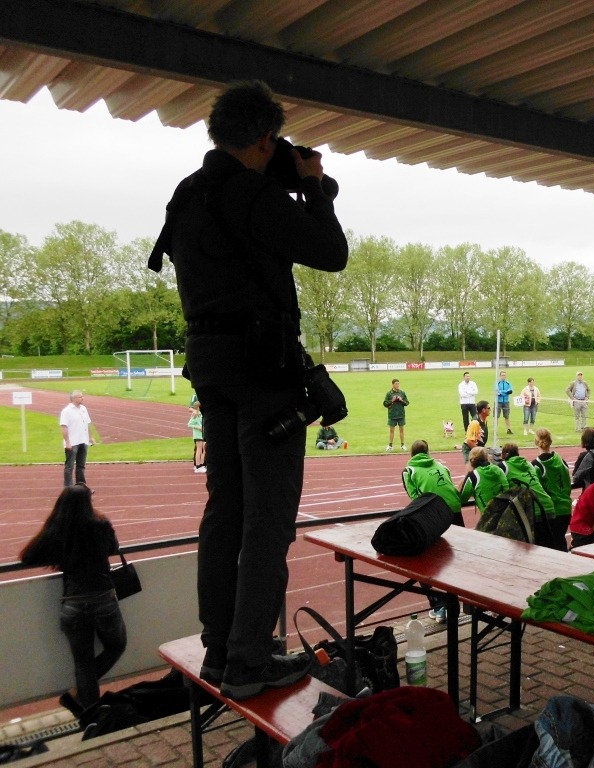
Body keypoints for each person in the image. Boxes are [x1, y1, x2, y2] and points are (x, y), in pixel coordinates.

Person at [151, 81, 347, 699]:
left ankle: (220, 648)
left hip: (210, 368)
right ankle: (249, 660)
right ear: (265, 139)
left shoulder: (188, 193)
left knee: (226, 510)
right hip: (264, 368)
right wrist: (314, 188)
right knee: (268, 519)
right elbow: (331, 252)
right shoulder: (255, 195)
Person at [20, 485, 127, 713]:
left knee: (83, 663)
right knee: (117, 646)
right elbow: (113, 547)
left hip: (73, 603)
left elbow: (28, 556)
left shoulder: (59, 529)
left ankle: (90, 714)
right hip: (103, 599)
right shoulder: (101, 524)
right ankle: (78, 698)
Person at [402, 440, 463, 622]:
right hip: (454, 510)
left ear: (411, 454)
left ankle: (439, 606)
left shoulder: (409, 470)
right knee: (456, 558)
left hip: (434, 514)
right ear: (428, 452)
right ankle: (455, 604)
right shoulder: (441, 466)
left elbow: (415, 498)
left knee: (424, 560)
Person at [531, 428, 573, 545]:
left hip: (550, 512)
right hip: (565, 509)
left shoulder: (536, 465)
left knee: (548, 545)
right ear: (550, 441)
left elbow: (538, 491)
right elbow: (567, 483)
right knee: (560, 541)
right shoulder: (561, 461)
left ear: (536, 442)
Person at [500, 443, 556, 523]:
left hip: (533, 509)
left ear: (504, 454)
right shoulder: (529, 464)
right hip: (547, 505)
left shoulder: (503, 466)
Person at [60, 390, 98, 487]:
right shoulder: (66, 411)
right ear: (73, 399)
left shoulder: (83, 409)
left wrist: (91, 437)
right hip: (73, 442)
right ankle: (68, 487)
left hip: (83, 441)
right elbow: (64, 427)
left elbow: (87, 424)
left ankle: (81, 486)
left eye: (82, 396)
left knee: (81, 466)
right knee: (69, 466)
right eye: (80, 397)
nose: (82, 398)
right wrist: (67, 442)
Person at [459, 446, 509, 515]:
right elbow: (506, 489)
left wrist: (464, 480)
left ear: (471, 461)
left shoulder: (474, 476)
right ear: (487, 458)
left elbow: (462, 499)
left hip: (488, 517)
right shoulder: (499, 470)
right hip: (506, 513)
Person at [383, 378, 409, 452]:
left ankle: (402, 445)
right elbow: (385, 404)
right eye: (396, 384)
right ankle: (390, 445)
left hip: (401, 414)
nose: (398, 385)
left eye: (398, 384)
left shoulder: (402, 393)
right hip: (392, 414)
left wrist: (401, 400)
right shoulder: (389, 394)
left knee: (401, 430)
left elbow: (407, 403)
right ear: (393, 384)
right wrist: (392, 400)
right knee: (392, 430)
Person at [188, 393, 206, 473]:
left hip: (203, 433)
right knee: (199, 449)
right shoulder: (196, 415)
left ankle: (202, 464)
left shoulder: (201, 415)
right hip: (198, 434)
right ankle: (198, 465)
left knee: (204, 449)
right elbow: (190, 424)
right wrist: (198, 427)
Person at [495, 370, 514, 435]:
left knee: (507, 416)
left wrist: (502, 392)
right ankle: (495, 430)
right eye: (502, 375)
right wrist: (505, 392)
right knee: (496, 416)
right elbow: (497, 392)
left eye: (504, 375)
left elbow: (510, 391)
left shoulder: (508, 383)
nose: (504, 376)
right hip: (498, 402)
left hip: (506, 401)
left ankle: (509, 429)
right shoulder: (497, 383)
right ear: (500, 376)